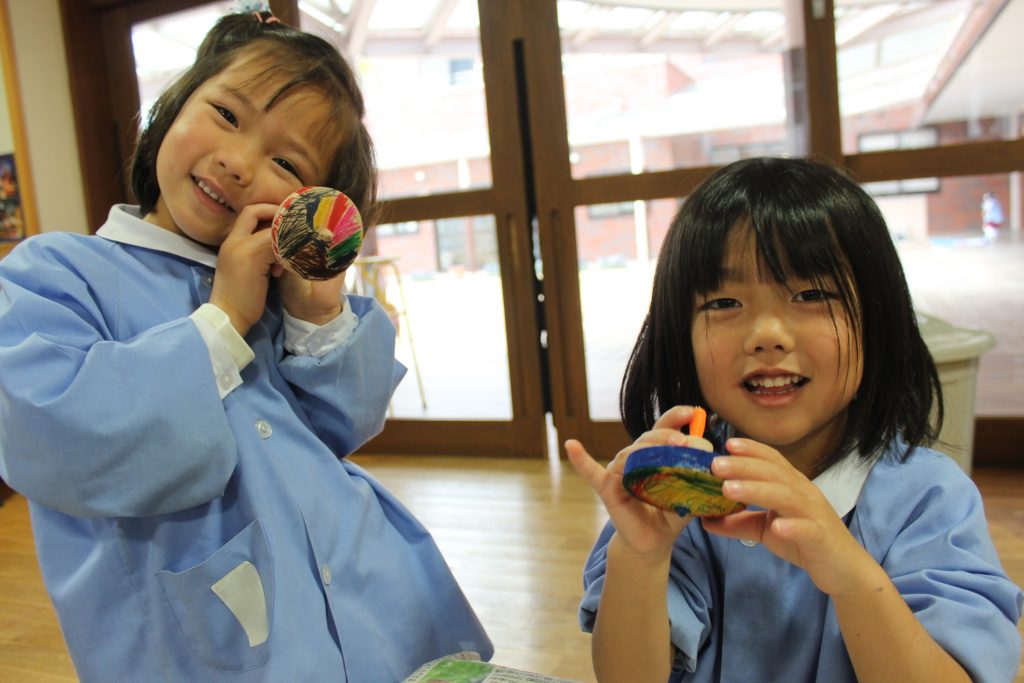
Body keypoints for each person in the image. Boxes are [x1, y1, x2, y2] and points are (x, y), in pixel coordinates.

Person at [0, 10, 491, 682]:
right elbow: (51, 432)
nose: (237, 163)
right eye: (226, 114)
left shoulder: (270, 287)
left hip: (369, 593)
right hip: (216, 631)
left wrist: (315, 311)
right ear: (171, 109)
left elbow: (341, 424)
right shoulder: (56, 271)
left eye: (286, 162)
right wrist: (224, 319)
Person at [565, 157, 1022, 682]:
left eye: (811, 295)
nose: (767, 335)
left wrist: (850, 577)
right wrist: (640, 557)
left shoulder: (928, 500)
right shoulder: (678, 492)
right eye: (724, 302)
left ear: (877, 320)